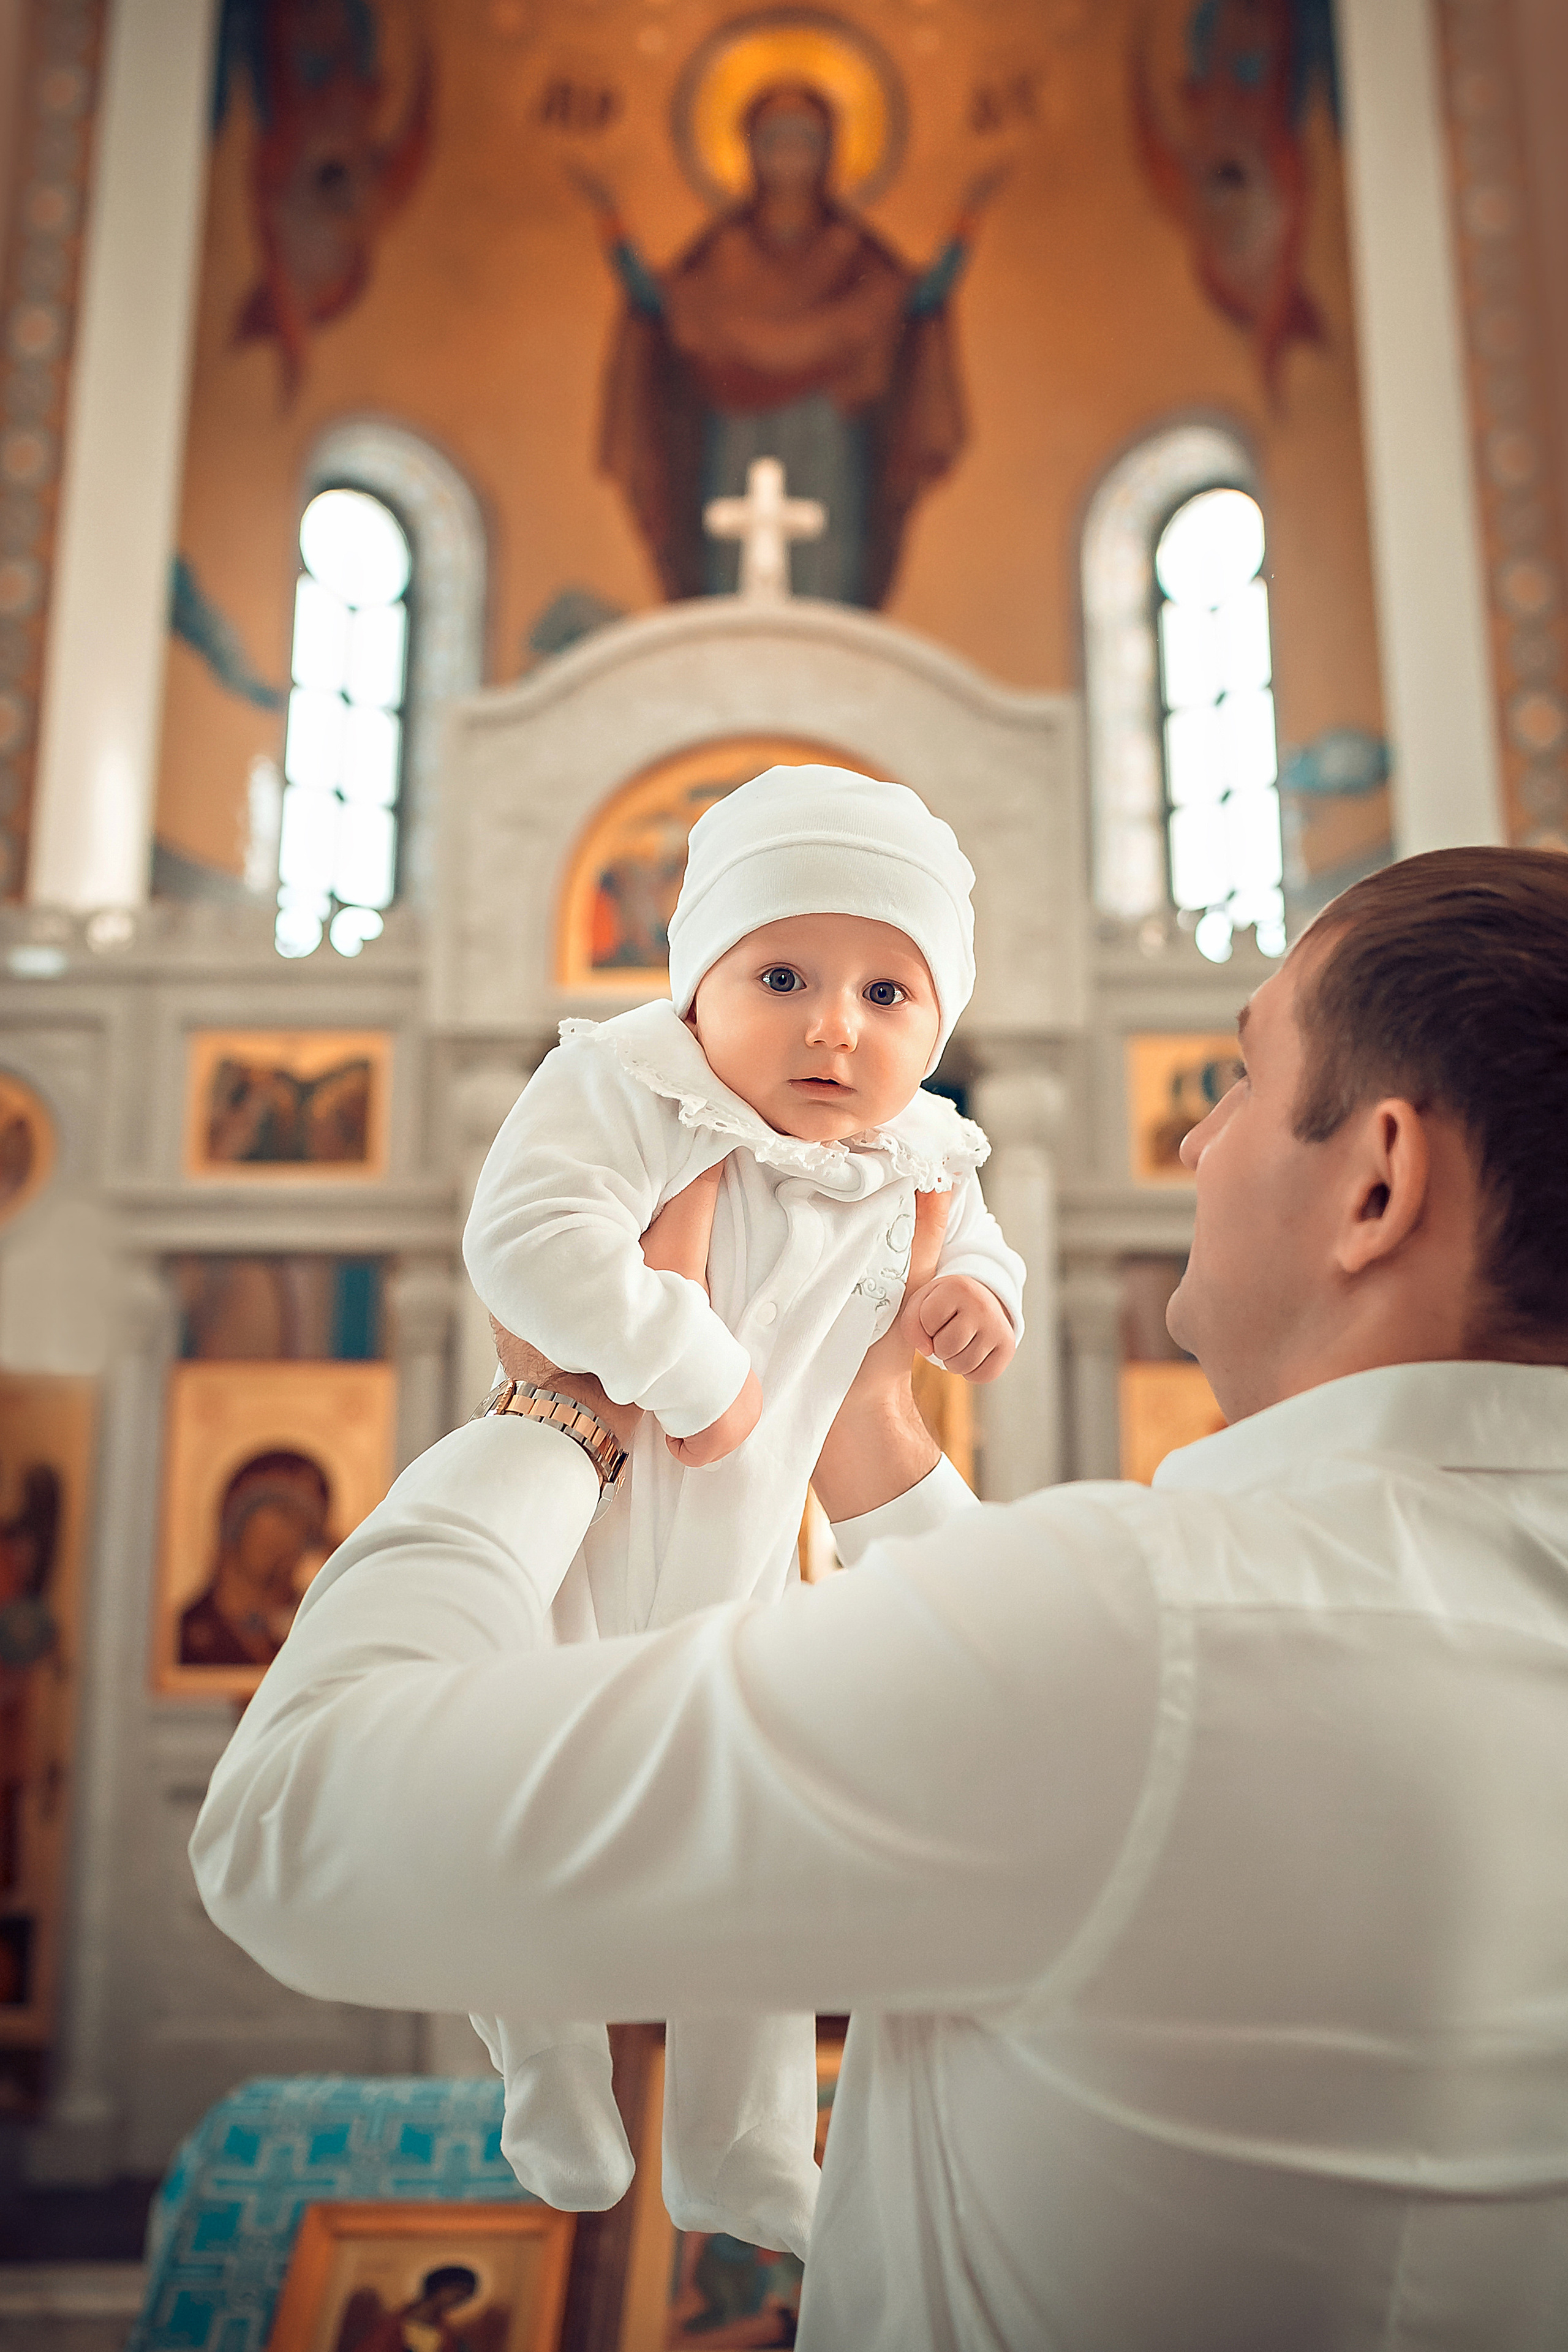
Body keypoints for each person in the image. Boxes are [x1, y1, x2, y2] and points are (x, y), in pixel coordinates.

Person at [193, 847, 1568, 2351]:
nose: (1193, 1140)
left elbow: (293, 1825)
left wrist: (557, 1414)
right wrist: (867, 1425)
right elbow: (1048, 1739)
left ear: (1376, 1180)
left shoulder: (1141, 1638)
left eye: (1241, 1079)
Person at [459, 764, 1023, 2253]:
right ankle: (547, 2070)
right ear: (694, 980)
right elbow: (528, 1241)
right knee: (542, 1806)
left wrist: (974, 1298)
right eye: (781, 976)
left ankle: (741, 2142)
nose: (834, 1026)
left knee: (754, 1848)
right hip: (583, 1531)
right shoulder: (631, 1082)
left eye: (887, 993)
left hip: (762, 1556)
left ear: (937, 1024)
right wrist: (689, 1366)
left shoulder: (920, 1151)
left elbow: (976, 1245)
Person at [579, 85, 1004, 606]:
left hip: (827, 432)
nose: (789, 158)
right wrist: (614, 226)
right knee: (729, 553)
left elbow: (912, 301)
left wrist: (964, 225)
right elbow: (664, 304)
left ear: (828, 154)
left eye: (804, 143)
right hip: (735, 432)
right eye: (775, 143)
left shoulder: (852, 252)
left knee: (827, 552)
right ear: (751, 152)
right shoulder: (723, 251)